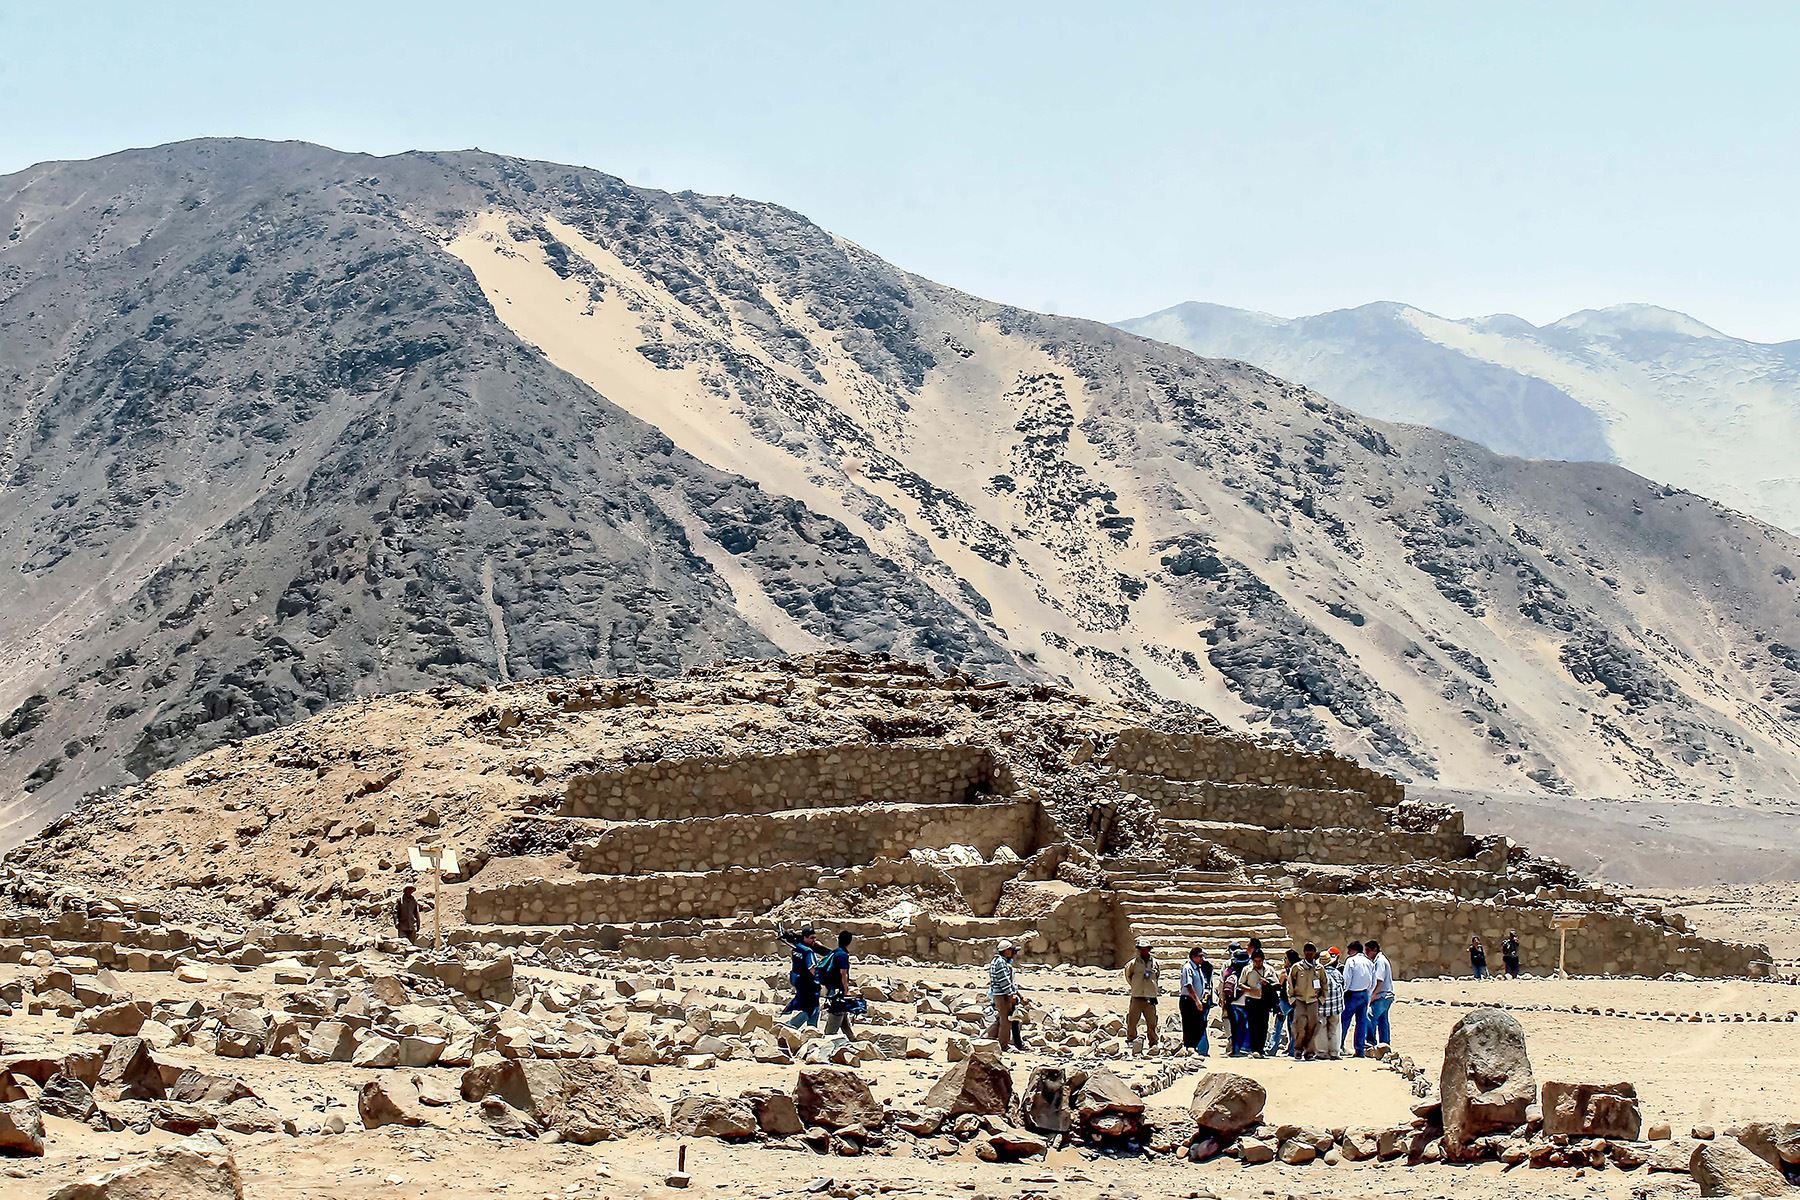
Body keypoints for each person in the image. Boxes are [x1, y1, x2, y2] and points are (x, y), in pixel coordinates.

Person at [1286, 943, 1325, 1061]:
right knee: (1299, 1026)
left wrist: (1321, 999)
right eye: (1307, 951)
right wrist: (1291, 999)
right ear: (1304, 952)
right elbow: (1290, 983)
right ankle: (1298, 1049)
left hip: (1313, 1001)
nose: (1309, 953)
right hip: (1300, 1001)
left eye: (1311, 951)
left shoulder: (1319, 969)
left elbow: (1324, 984)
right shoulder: (1297, 967)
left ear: (1314, 953)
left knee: (1312, 1027)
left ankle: (1309, 1052)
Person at [780, 926, 822, 1028]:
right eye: (811, 938)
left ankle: (812, 1029)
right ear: (805, 937)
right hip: (808, 983)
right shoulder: (808, 951)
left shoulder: (797, 947)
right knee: (810, 1008)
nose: (814, 940)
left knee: (815, 1006)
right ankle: (791, 1025)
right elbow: (812, 969)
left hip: (798, 980)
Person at [1123, 937, 1161, 1051]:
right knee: (1132, 1020)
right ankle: (1131, 1039)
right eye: (1141, 949)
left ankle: (1153, 1041)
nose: (1143, 951)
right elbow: (1128, 976)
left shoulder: (1155, 963)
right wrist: (1136, 986)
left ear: (1149, 949)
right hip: (1137, 996)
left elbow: (1157, 976)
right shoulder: (1133, 964)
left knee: (1152, 1021)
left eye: (1145, 949)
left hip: (1150, 997)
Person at [1239, 948, 1274, 1059]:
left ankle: (1260, 1049)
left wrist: (1267, 983)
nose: (1258, 963)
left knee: (1263, 1025)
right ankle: (1254, 1049)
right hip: (1251, 1000)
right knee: (1253, 1025)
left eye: (1260, 961)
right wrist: (1250, 990)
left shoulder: (1269, 969)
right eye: (1256, 961)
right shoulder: (1247, 969)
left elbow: (1276, 983)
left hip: (1264, 1000)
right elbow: (1240, 984)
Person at [821, 931, 857, 1039]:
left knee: (843, 1015)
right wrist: (846, 990)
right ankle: (827, 1038)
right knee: (837, 1012)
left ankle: (851, 1038)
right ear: (849, 942)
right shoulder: (843, 955)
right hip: (838, 990)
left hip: (831, 988)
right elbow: (843, 973)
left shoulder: (835, 952)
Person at [1179, 946, 1214, 1057]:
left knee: (1199, 1024)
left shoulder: (1198, 968)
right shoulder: (1187, 968)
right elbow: (1189, 985)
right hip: (1189, 1000)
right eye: (1200, 956)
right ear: (1193, 957)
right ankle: (1190, 1047)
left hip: (1198, 1000)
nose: (1202, 958)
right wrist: (1197, 1001)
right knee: (1189, 1024)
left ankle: (1193, 1046)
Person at [987, 939, 1022, 1049]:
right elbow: (1005, 982)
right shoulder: (1001, 963)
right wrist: (1010, 996)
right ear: (1006, 951)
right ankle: (1003, 1045)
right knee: (1006, 1021)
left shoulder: (995, 961)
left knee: (1001, 1019)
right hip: (1002, 995)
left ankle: (990, 1039)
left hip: (998, 994)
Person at [1341, 939, 1372, 1056]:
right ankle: (1359, 1049)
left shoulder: (1351, 961)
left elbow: (1347, 978)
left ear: (1354, 950)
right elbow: (1372, 980)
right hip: (1364, 993)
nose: (1348, 952)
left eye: (1349, 950)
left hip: (1352, 994)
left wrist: (1345, 991)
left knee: (1345, 1020)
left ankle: (1340, 1045)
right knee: (1361, 1022)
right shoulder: (1368, 961)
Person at [1316, 947, 1346, 1059]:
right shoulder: (1337, 973)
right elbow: (1344, 985)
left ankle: (1322, 1052)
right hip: (1336, 1006)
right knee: (1334, 1029)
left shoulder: (1317, 974)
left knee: (1321, 1029)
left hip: (1322, 1006)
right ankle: (1334, 1052)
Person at [1221, 943, 1250, 1056]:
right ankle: (1243, 1048)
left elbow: (1223, 985)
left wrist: (1223, 999)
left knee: (1235, 1025)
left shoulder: (1230, 970)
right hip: (1246, 1002)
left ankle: (1235, 1049)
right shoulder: (1248, 970)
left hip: (1233, 1002)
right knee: (1244, 1026)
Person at [1268, 949, 1298, 1055]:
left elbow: (1279, 986)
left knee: (1278, 1026)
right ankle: (1293, 1049)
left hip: (1284, 1001)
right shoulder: (1299, 971)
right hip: (1296, 1001)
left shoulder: (1285, 973)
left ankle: (1272, 1049)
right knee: (1293, 1026)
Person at [1366, 940, 1395, 1046]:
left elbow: (1379, 980)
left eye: (1368, 950)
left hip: (1382, 995)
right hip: (1387, 996)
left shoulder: (1380, 961)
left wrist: (1373, 995)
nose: (1366, 953)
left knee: (1369, 1016)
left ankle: (1370, 1042)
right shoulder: (1380, 960)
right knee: (1383, 1020)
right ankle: (1385, 1043)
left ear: (1374, 950)